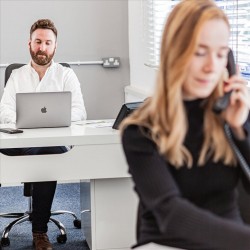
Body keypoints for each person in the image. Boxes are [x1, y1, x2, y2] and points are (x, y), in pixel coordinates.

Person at [121, 0, 250, 249]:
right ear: (174, 52)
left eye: (221, 53)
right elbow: (173, 215)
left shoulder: (230, 113)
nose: (212, 66)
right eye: (200, 52)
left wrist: (239, 130)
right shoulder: (141, 129)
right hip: (171, 243)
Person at [0, 19, 86, 250]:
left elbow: (79, 110)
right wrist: (25, 123)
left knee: (48, 153)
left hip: (50, 145)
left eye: (48, 43)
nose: (42, 47)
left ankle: (40, 233)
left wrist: (51, 124)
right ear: (30, 43)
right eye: (38, 41)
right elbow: (4, 110)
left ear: (55, 46)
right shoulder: (17, 75)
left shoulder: (66, 75)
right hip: (20, 142)